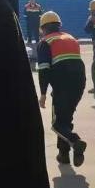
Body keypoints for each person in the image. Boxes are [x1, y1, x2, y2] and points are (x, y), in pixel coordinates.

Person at [36, 11, 87, 167]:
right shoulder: (71, 38)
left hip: (62, 85)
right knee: (65, 118)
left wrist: (43, 94)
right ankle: (63, 154)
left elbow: (44, 70)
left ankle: (75, 141)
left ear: (43, 28)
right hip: (79, 84)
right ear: (59, 26)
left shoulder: (45, 42)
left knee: (57, 124)